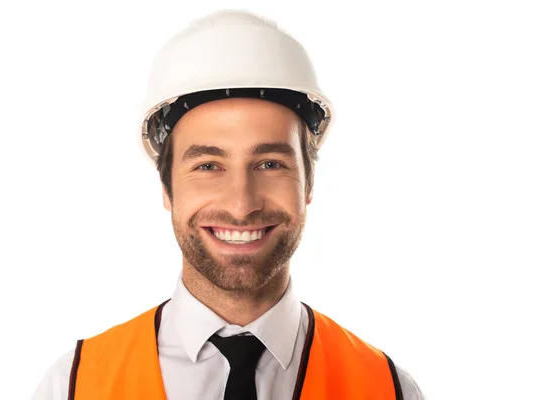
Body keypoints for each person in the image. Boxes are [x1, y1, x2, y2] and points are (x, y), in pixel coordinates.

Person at [33, 9, 425, 400]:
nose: (241, 205)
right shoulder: (72, 387)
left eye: (270, 164)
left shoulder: (388, 389)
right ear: (167, 188)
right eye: (208, 165)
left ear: (309, 184)